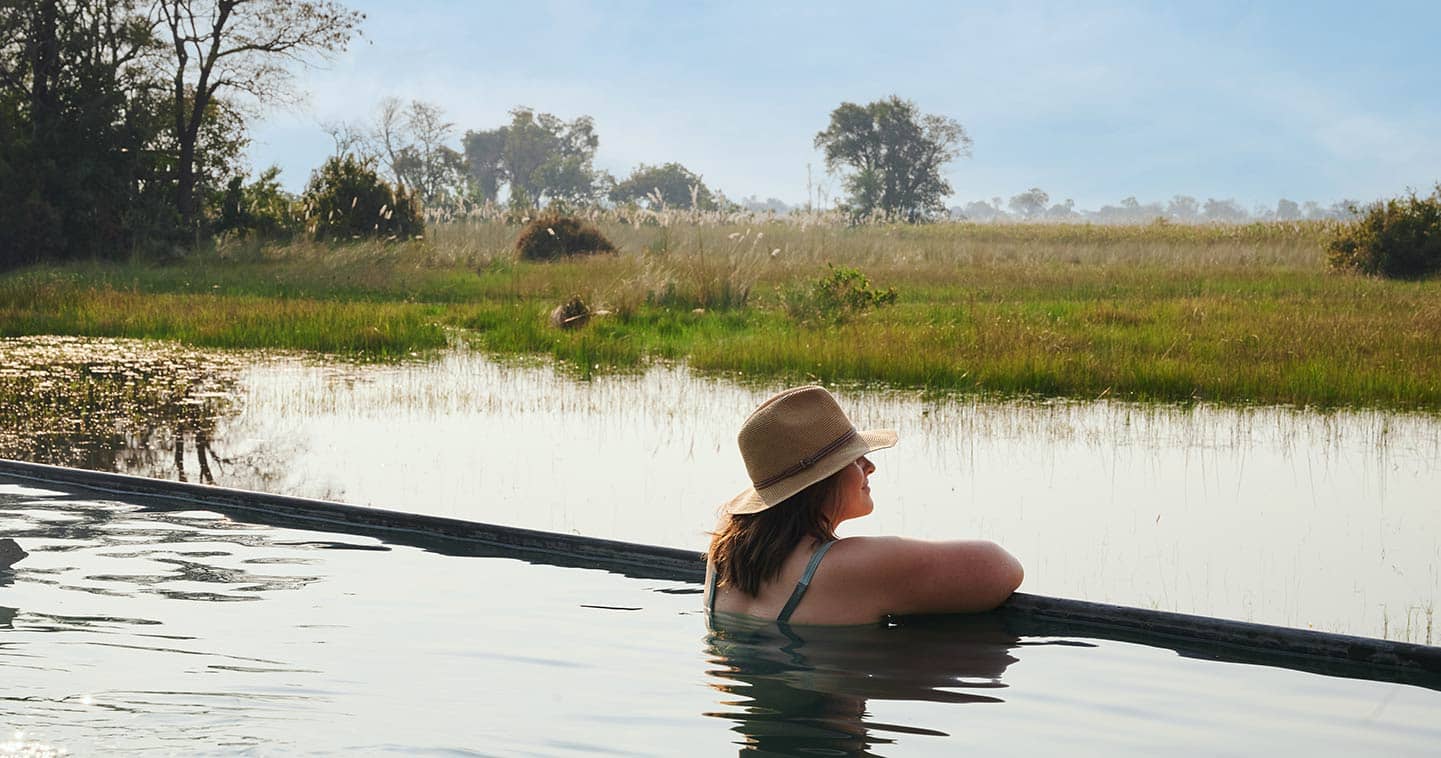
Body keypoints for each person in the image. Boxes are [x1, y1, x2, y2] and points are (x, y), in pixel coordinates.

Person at [705, 385, 1023, 627]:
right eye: (854, 459)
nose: (869, 466)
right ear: (821, 481)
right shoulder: (852, 567)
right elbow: (1002, 568)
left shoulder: (725, 549)